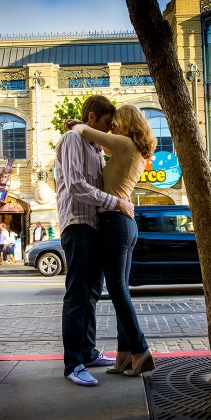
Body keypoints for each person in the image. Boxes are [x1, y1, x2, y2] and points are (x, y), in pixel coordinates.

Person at [65, 103, 157, 377]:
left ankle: (140, 349)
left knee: (117, 290)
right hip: (124, 223)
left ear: (127, 123)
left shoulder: (124, 143)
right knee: (120, 290)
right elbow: (99, 149)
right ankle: (124, 356)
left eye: (116, 122)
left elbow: (88, 133)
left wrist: (75, 124)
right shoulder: (133, 149)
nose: (113, 127)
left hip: (113, 222)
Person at [55, 94, 135, 387]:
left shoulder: (94, 146)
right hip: (78, 223)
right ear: (91, 118)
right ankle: (73, 363)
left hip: (95, 225)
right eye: (105, 122)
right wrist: (116, 203)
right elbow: (76, 185)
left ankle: (87, 352)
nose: (109, 129)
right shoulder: (72, 140)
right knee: (77, 295)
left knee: (91, 293)